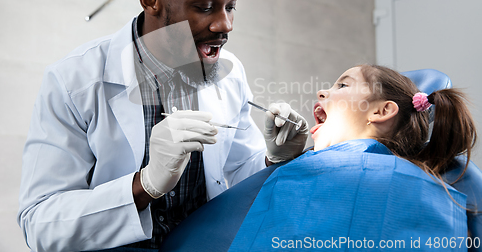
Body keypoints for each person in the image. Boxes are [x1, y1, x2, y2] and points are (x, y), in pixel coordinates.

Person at [17, 0, 308, 252]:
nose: (225, 25)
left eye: (231, 6)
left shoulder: (230, 72)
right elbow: (39, 223)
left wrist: (273, 158)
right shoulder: (73, 80)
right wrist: (146, 184)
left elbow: (237, 171)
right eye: (205, 6)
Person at [158, 64, 480, 252]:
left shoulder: (344, 172)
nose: (321, 93)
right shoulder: (422, 180)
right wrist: (279, 162)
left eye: (342, 85)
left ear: (382, 111)